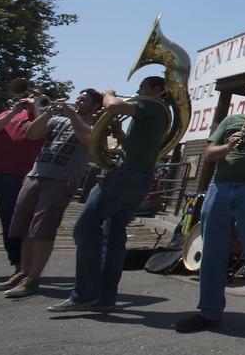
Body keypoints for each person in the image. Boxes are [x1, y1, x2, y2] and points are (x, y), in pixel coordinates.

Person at [173, 81, 245, 334]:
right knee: (213, 249)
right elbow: (210, 154)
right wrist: (228, 146)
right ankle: (209, 312)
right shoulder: (230, 121)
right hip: (222, 186)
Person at [48, 77, 170, 312]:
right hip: (139, 177)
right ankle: (105, 298)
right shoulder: (155, 114)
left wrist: (107, 93)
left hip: (125, 177)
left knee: (84, 228)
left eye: (143, 86)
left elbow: (113, 106)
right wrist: (117, 130)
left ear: (156, 90)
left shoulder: (152, 105)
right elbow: (132, 145)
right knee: (113, 235)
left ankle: (84, 294)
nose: (138, 90)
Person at [0, 89, 102, 298]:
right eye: (78, 98)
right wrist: (46, 112)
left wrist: (72, 115)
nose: (78, 101)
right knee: (25, 227)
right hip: (35, 174)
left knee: (42, 230)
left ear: (95, 106)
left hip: (61, 180)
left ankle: (34, 279)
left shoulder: (96, 126)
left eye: (84, 100)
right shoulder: (57, 121)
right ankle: (23, 273)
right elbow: (32, 133)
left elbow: (89, 141)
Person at [0, 92, 43, 282]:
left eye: (36, 97)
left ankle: (18, 263)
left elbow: (43, 132)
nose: (30, 98)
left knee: (10, 221)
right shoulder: (9, 113)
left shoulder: (44, 119)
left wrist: (37, 109)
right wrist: (14, 111)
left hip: (13, 175)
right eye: (30, 95)